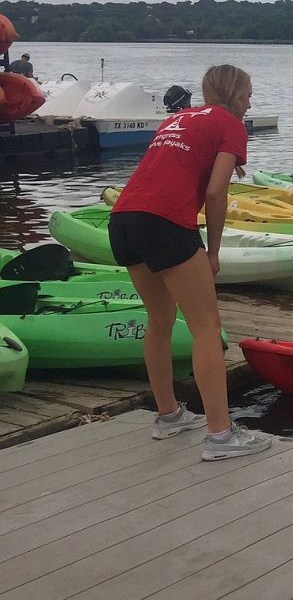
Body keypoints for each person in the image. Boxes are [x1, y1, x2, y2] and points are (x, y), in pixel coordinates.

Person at [108, 64, 270, 461]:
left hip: (124, 219)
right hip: (165, 222)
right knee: (206, 327)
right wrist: (213, 252)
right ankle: (221, 436)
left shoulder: (180, 118)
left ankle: (169, 415)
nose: (251, 101)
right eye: (248, 93)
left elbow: (176, 167)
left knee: (160, 322)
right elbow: (216, 194)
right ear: (235, 94)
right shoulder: (232, 123)